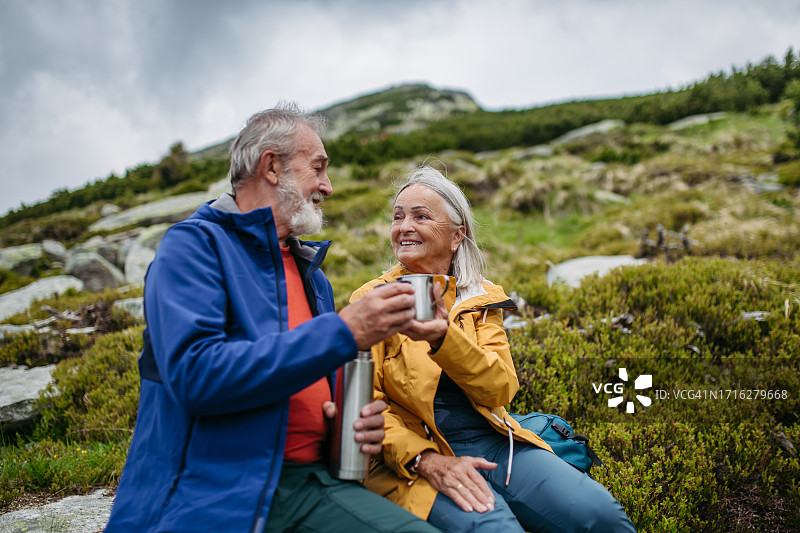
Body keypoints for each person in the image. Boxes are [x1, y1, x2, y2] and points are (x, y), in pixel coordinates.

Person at [105, 105, 438, 533]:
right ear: (272, 166)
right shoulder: (191, 247)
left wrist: (346, 428)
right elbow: (196, 377)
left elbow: (304, 381)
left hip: (313, 482)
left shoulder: (310, 273)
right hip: (220, 493)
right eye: (318, 168)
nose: (328, 186)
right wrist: (345, 330)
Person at [350, 166, 636, 533]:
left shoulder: (481, 298)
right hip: (412, 457)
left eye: (420, 216)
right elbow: (364, 406)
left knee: (601, 517)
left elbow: (500, 388)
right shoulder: (370, 300)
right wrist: (425, 460)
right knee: (496, 527)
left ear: (456, 237)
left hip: (493, 441)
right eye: (398, 216)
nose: (404, 226)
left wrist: (443, 338)